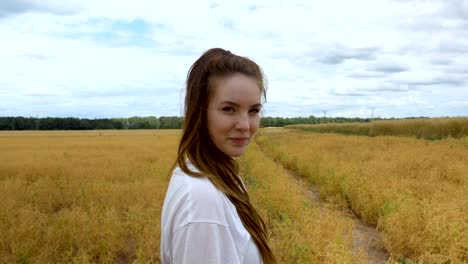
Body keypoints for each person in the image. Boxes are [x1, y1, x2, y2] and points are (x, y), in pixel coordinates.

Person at [160, 48, 276, 263]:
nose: (245, 125)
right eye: (229, 109)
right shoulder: (202, 202)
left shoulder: (212, 176)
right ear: (199, 112)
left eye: (254, 110)